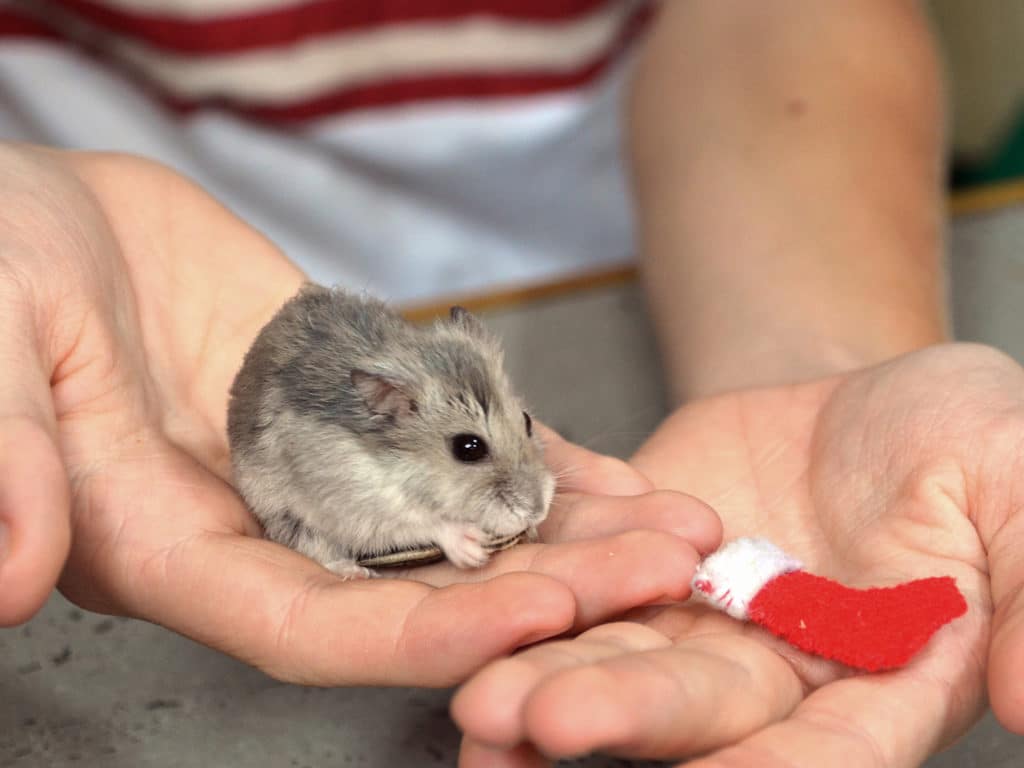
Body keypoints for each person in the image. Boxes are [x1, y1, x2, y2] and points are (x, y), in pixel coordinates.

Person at [0, 3, 1022, 768]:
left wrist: (819, 368)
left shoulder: (457, 395)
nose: (529, 487)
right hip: (110, 216)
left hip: (616, 241)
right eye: (475, 454)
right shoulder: (337, 447)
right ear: (385, 418)